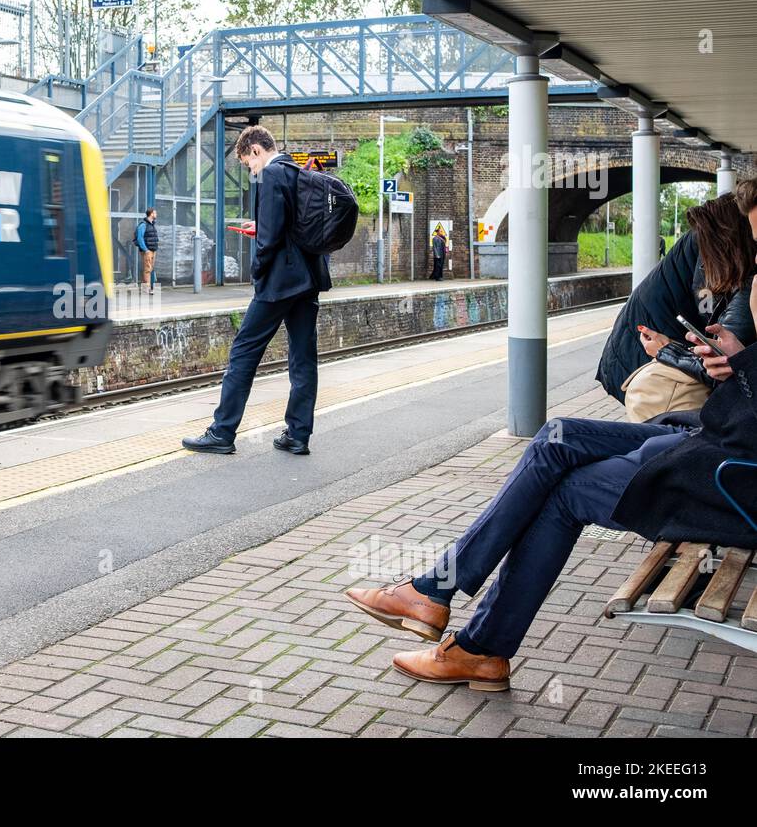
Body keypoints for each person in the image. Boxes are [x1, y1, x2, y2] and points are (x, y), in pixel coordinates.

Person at [346, 180, 757, 690]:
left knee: (567, 492)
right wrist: (732, 361)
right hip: (712, 440)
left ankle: (470, 637)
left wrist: (735, 363)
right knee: (558, 434)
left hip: (731, 475)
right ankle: (436, 597)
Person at [182, 126, 328, 455]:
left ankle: (221, 432)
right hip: (308, 281)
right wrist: (259, 226)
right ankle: (298, 434)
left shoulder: (272, 174)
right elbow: (287, 224)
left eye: (249, 163)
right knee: (303, 360)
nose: (250, 170)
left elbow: (272, 237)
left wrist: (258, 270)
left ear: (257, 151)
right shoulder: (295, 169)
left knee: (243, 353)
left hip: (279, 283)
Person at [597, 194, 756, 409]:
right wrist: (668, 350)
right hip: (649, 364)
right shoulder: (718, 250)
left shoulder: (716, 240)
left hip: (645, 357)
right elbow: (723, 359)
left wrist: (669, 350)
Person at [134, 208, 159, 296]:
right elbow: (140, 238)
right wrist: (146, 250)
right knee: (147, 269)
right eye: (155, 213)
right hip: (147, 251)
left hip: (153, 250)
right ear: (151, 214)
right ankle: (146, 289)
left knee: (150, 269)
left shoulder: (152, 224)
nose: (156, 214)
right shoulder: (143, 225)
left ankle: (146, 287)